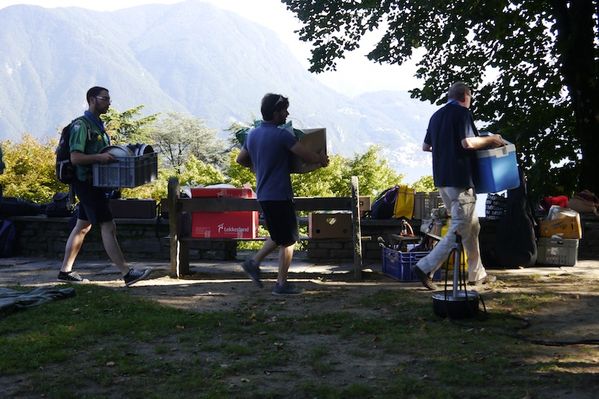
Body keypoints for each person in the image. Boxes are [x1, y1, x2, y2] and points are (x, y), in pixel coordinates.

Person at [414, 82, 504, 290]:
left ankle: (477, 273)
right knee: (459, 228)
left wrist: (446, 149)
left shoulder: (436, 116)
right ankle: (425, 267)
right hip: (460, 180)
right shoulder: (462, 113)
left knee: (472, 227)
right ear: (465, 96)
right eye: (470, 98)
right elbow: (468, 143)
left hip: (442, 181)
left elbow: (426, 147)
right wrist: (492, 139)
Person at [58, 86, 151, 286]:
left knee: (82, 226)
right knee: (108, 226)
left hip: (94, 183)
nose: (109, 103)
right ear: (92, 99)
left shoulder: (97, 125)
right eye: (105, 99)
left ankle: (65, 271)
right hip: (87, 183)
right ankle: (127, 273)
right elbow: (75, 158)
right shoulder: (81, 126)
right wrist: (100, 157)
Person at [236, 93, 329, 295]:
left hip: (264, 195)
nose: (287, 114)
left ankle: (276, 278)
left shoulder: (252, 134)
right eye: (284, 110)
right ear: (276, 113)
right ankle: (264, 271)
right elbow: (306, 154)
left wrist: (259, 166)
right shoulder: (282, 135)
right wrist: (321, 159)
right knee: (287, 239)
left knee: (282, 236)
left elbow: (240, 160)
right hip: (280, 195)